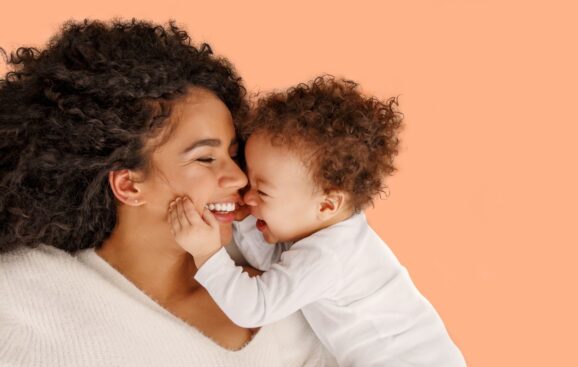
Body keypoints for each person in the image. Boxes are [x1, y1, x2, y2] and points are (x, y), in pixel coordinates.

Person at [0, 19, 337, 366]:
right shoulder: (24, 295)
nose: (237, 177)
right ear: (129, 185)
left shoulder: (284, 271)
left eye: (233, 154)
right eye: (206, 158)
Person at [169, 77, 466, 366]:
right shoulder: (324, 229)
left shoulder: (329, 255)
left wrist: (206, 254)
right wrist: (243, 220)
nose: (247, 197)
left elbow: (256, 306)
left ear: (326, 204)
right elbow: (276, 269)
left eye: (262, 191)